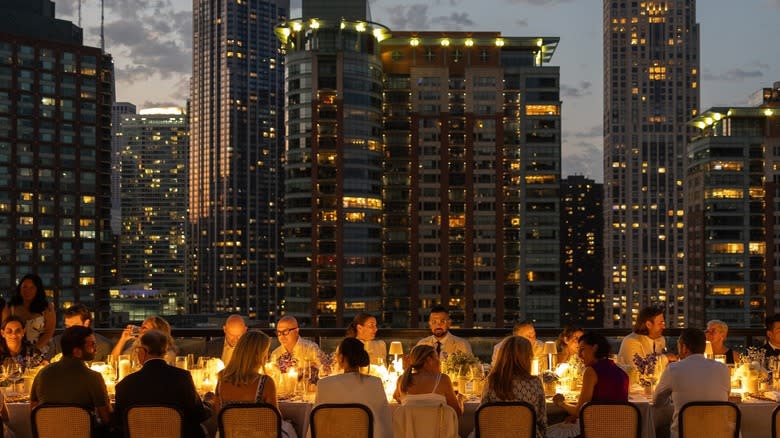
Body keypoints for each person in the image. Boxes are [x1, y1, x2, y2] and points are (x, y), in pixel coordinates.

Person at [115, 330, 212, 437]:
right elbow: (198, 414)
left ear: (143, 351)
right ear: (165, 351)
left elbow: (119, 420)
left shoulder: (125, 384)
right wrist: (209, 405)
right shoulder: (182, 378)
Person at [212, 330, 298, 437]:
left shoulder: (221, 380)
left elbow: (218, 415)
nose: (267, 355)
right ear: (260, 354)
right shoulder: (265, 383)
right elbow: (274, 420)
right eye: (266, 351)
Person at [652, 328, 729, 438]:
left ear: (684, 348)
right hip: (718, 433)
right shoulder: (723, 368)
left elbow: (657, 401)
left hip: (685, 433)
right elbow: (726, 397)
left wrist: (673, 398)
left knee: (658, 430)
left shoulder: (673, 369)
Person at [30, 326, 112, 430]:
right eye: (92, 344)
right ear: (77, 351)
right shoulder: (93, 377)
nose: (96, 348)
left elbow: (33, 409)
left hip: (50, 433)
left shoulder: (42, 373)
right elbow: (106, 417)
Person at [314, 337, 392, 438]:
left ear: (341, 358)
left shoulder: (324, 384)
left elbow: (316, 424)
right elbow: (384, 423)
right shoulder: (375, 383)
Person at [552, 332, 628, 422]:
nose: (579, 355)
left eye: (582, 350)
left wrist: (561, 403)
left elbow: (579, 411)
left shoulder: (591, 371)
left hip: (597, 429)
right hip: (622, 428)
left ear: (595, 348)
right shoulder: (622, 372)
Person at [481, 336, 546, 438]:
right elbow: (542, 420)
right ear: (527, 358)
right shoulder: (535, 382)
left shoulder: (492, 381)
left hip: (496, 435)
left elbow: (483, 414)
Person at [392, 344, 462, 415]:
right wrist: (460, 399)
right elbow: (456, 413)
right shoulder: (442, 379)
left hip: (411, 426)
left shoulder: (402, 379)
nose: (440, 362)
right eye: (437, 358)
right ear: (429, 359)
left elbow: (396, 397)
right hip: (438, 426)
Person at [617, 306, 676, 383]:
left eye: (663, 323)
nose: (664, 327)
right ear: (648, 324)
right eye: (660, 323)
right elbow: (637, 372)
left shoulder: (660, 340)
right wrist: (665, 358)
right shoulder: (631, 342)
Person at [1, 274, 55, 351]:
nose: (27, 290)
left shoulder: (47, 307)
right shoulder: (10, 307)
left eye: (32, 287)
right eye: (25, 287)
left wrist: (35, 349)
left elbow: (49, 331)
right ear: (20, 288)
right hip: (15, 351)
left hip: (41, 349)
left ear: (37, 289)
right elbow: (5, 330)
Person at [47, 304, 113, 361]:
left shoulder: (104, 345)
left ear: (86, 323)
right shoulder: (56, 342)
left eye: (74, 326)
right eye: (67, 326)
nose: (70, 331)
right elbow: (47, 365)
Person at [111, 315, 176, 363]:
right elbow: (113, 362)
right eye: (141, 326)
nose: (140, 330)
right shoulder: (136, 346)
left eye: (144, 327)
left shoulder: (167, 354)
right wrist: (123, 339)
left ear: (155, 332)